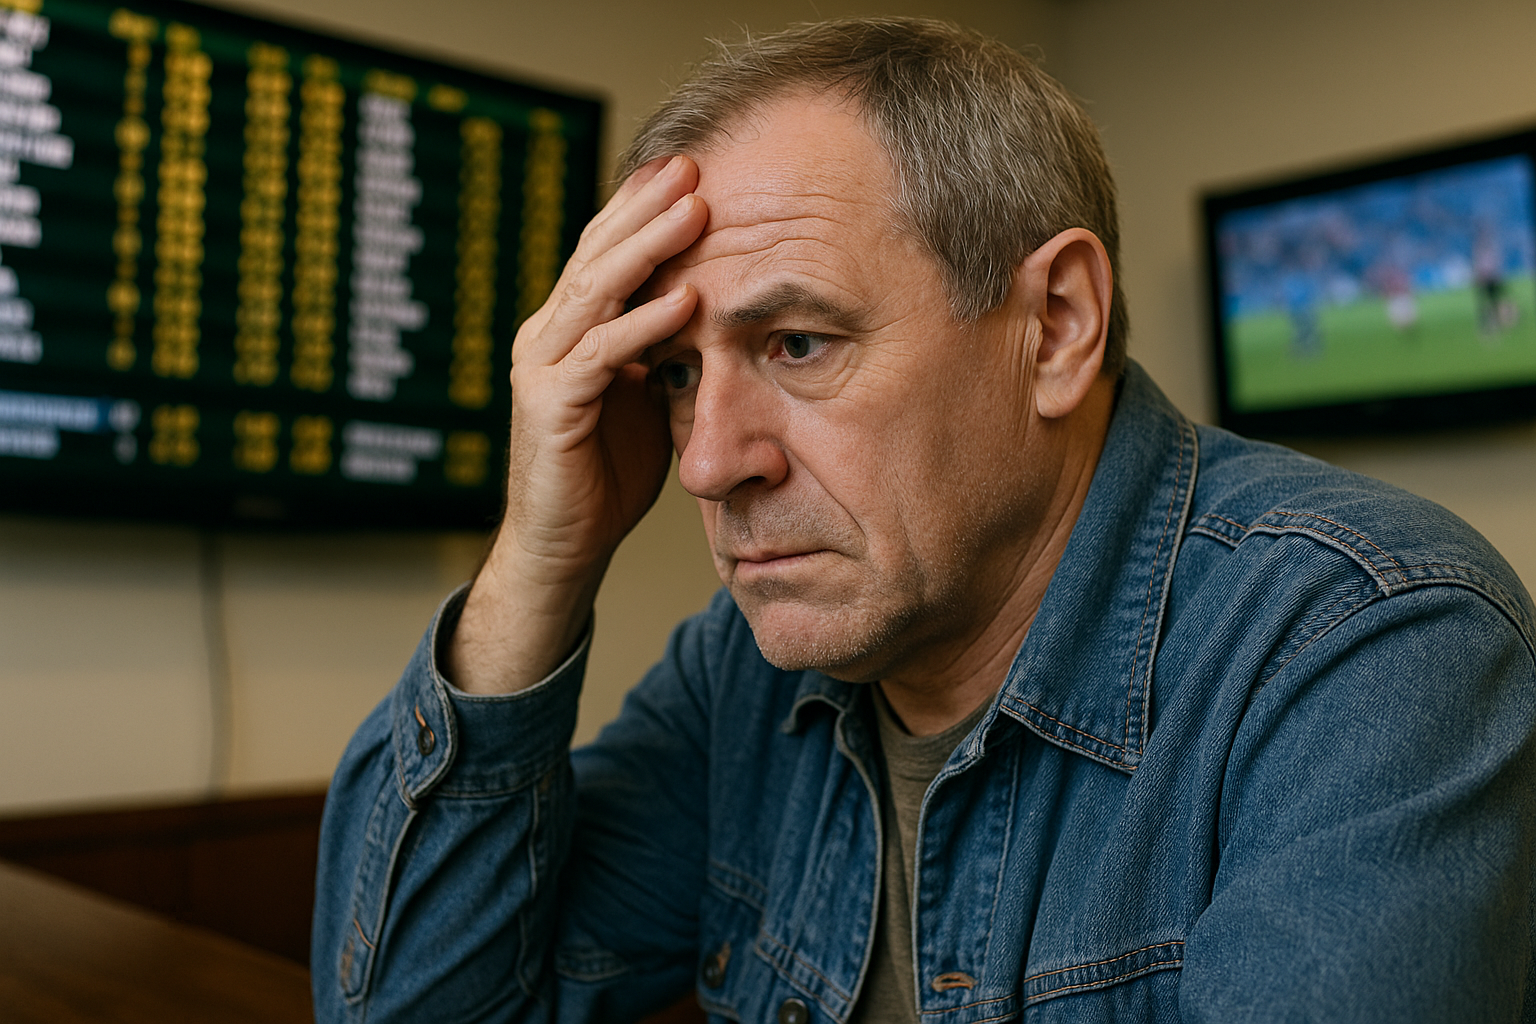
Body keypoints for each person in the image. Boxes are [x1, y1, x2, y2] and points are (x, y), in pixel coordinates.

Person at [312, 18, 1536, 1023]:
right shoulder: (744, 673)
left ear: (1056, 326)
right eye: (680, 372)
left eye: (798, 342)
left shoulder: (1371, 645)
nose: (707, 461)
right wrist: (541, 555)